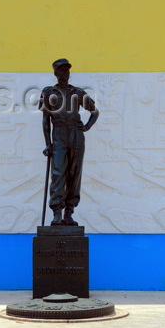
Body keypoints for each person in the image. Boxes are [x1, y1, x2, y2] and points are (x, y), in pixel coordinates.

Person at [39, 58, 99, 226]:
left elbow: (95, 112)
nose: (65, 73)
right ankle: (57, 212)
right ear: (55, 73)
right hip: (58, 134)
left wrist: (86, 126)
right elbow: (45, 121)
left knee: (74, 173)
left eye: (67, 70)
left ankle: (69, 213)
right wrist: (48, 144)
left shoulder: (78, 93)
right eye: (61, 70)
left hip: (76, 135)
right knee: (58, 174)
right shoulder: (48, 92)